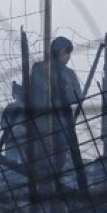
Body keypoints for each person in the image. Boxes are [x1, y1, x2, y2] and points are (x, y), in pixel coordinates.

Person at [29, 36, 84, 186]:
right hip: (44, 121)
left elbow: (77, 96)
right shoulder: (40, 69)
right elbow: (41, 91)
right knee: (43, 156)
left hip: (63, 121)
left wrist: (63, 93)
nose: (67, 57)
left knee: (61, 155)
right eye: (65, 52)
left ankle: (55, 186)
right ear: (58, 51)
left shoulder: (69, 74)